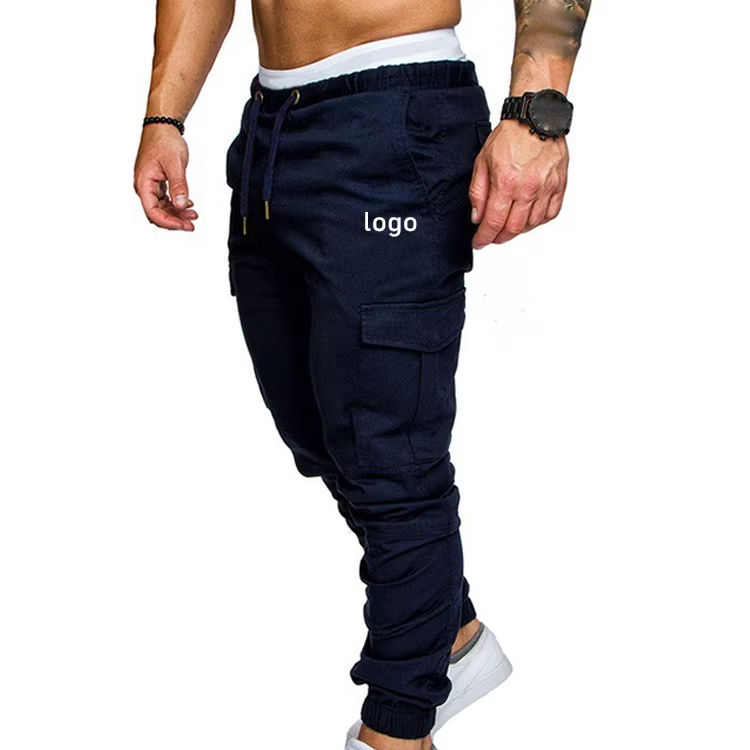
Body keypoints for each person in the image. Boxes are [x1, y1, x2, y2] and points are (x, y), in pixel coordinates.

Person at [133, 2, 591, 748]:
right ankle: (450, 636)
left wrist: (538, 114)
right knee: (321, 435)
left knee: (390, 456)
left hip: (395, 110)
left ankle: (398, 725)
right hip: (273, 129)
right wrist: (165, 115)